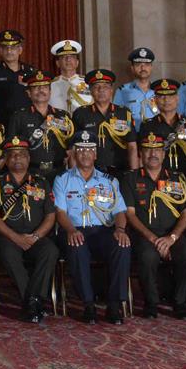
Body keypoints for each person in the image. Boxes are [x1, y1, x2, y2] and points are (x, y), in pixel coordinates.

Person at [52, 130, 131, 325]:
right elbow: (60, 213)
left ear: (95, 154)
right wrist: (71, 230)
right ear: (73, 153)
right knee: (77, 246)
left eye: (89, 150)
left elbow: (120, 212)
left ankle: (114, 304)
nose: (85, 154)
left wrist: (120, 231)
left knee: (122, 246)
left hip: (102, 231)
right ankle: (88, 304)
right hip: (75, 229)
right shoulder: (62, 180)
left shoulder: (110, 181)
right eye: (80, 150)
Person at [121, 133, 186, 319]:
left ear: (164, 154)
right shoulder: (130, 179)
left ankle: (180, 302)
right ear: (140, 153)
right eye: (148, 150)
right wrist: (153, 239)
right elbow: (130, 215)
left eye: (157, 150)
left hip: (173, 234)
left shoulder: (177, 178)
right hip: (145, 235)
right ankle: (151, 302)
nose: (152, 154)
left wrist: (171, 238)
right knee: (147, 256)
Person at [0, 136, 58, 323]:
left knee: (50, 251)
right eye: (13, 155)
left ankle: (32, 300)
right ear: (6, 159)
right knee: (9, 254)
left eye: (22, 155)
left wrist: (35, 236)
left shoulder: (41, 182)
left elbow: (51, 216)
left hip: (36, 236)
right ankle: (33, 302)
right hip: (7, 236)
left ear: (29, 159)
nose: (17, 158)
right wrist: (16, 238)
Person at [6, 71, 73, 182]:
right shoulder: (19, 117)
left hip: (59, 173)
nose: (41, 91)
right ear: (28, 93)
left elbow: (71, 148)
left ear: (50, 92)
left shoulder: (63, 116)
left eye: (44, 87)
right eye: (36, 88)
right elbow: (12, 149)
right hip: (30, 172)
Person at [71, 68, 136, 179]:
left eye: (105, 87)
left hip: (121, 171)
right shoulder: (81, 114)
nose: (101, 90)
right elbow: (73, 148)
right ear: (90, 90)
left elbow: (132, 147)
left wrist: (135, 174)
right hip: (90, 172)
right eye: (96, 87)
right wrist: (73, 176)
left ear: (111, 90)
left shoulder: (124, 113)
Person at [141, 78, 186, 184]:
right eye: (161, 96)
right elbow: (142, 155)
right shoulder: (148, 125)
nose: (166, 100)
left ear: (177, 98)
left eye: (170, 96)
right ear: (155, 100)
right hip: (159, 180)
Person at [0, 29, 34, 124]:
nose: (9, 51)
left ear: (20, 50)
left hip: (27, 123)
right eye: (5, 48)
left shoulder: (30, 71)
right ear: (1, 51)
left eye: (13, 47)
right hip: (2, 122)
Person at [114, 47, 157, 130]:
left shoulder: (159, 90)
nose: (143, 68)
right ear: (132, 68)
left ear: (151, 67)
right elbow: (116, 119)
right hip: (133, 138)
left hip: (157, 138)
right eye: (138, 65)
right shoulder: (123, 91)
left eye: (146, 65)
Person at [48, 39, 91, 113]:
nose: (68, 60)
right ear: (57, 63)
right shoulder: (50, 85)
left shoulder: (88, 82)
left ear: (77, 62)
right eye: (64, 57)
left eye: (72, 57)